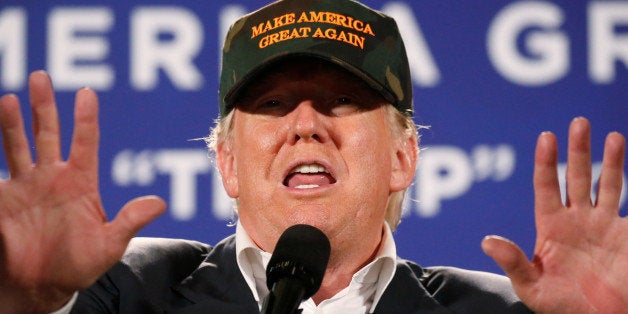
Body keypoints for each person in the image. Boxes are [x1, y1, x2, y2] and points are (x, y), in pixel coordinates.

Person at [0, 0, 626, 313]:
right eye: (272, 104)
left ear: (404, 157)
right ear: (228, 165)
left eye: (342, 101)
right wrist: (22, 301)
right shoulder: (125, 295)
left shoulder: (506, 313)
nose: (306, 125)